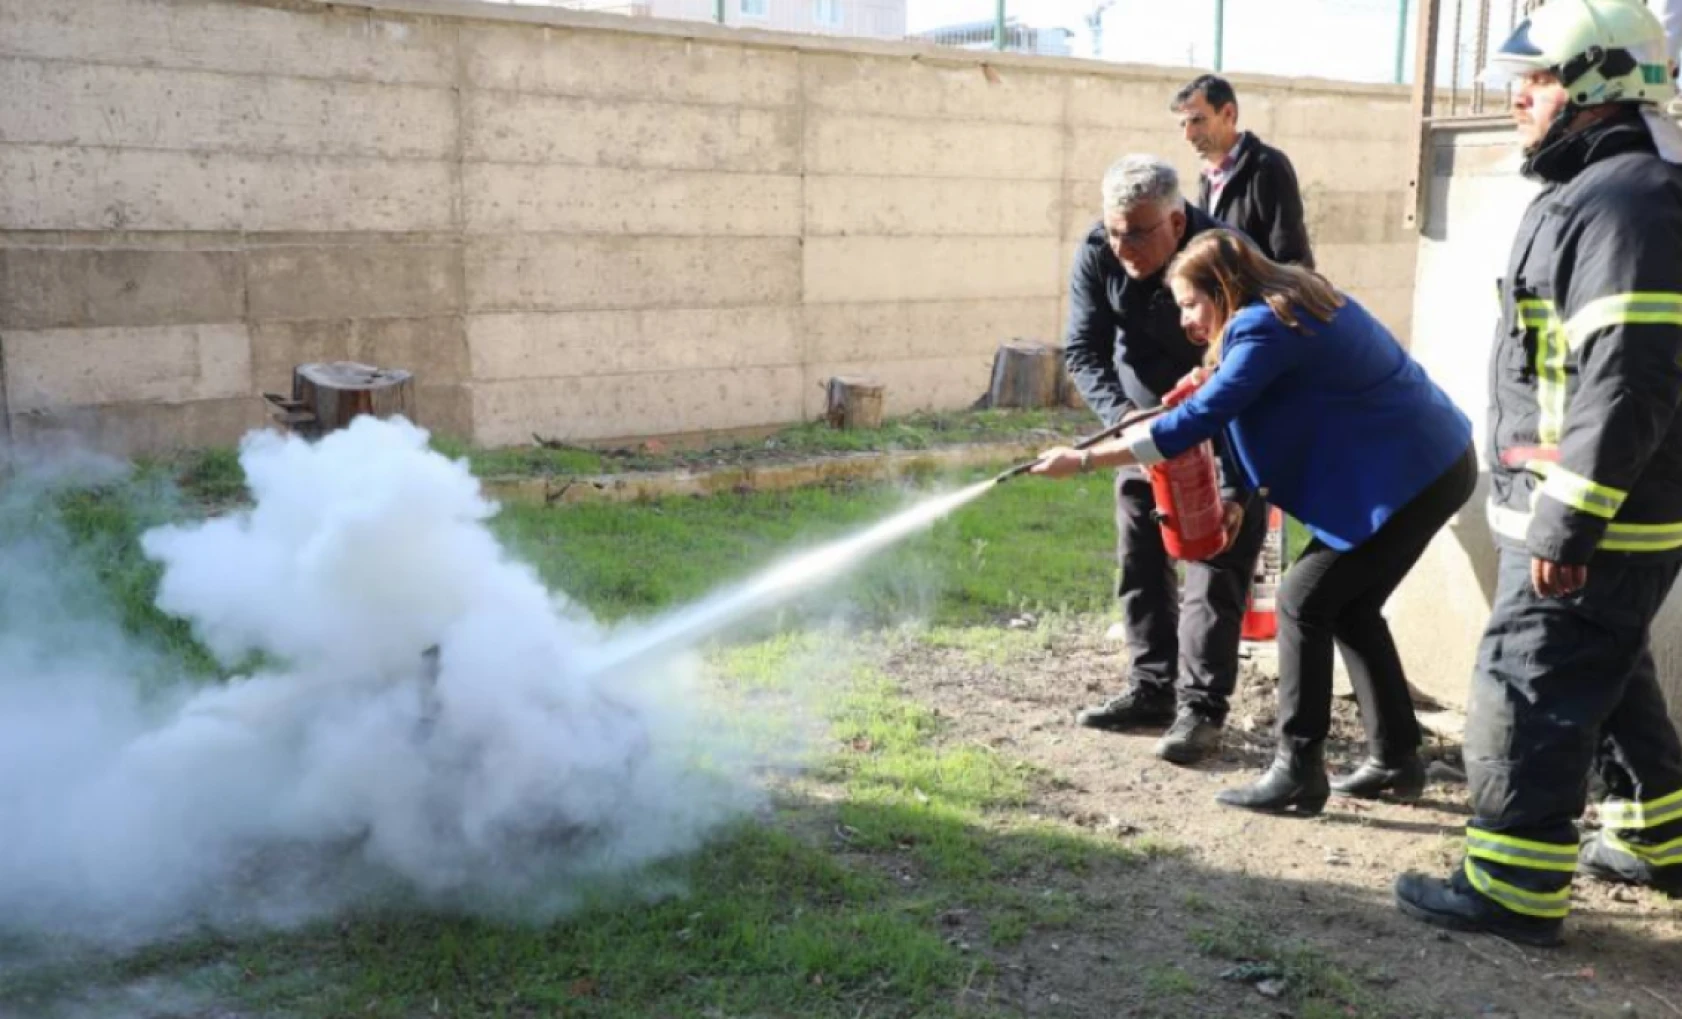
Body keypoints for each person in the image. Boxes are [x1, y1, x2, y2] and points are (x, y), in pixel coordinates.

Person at [1394, 0, 1682, 948]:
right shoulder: (1612, 191)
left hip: (1589, 522)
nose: (1518, 96)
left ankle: (1513, 885)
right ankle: (1659, 838)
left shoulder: (1624, 202)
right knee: (1611, 677)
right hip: (1597, 520)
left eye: (1539, 78)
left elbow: (1627, 379)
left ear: (1598, 84)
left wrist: (1566, 524)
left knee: (1526, 683)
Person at [1034, 228, 1475, 814]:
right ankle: (1395, 759)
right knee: (1349, 607)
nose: (1186, 320)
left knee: (1302, 600)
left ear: (1223, 289)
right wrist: (1213, 379)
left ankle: (1298, 769)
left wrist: (1086, 458)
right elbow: (1260, 388)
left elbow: (1196, 423)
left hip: (1413, 476)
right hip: (1434, 463)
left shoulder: (1265, 325)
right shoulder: (1294, 300)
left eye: (1191, 303)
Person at [1061, 155, 1268, 765]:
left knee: (1215, 557)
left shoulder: (1225, 259)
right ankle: (1151, 688)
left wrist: (1230, 479)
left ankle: (1201, 710)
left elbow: (1242, 366)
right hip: (1142, 421)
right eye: (1113, 230)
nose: (1122, 247)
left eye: (1138, 232)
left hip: (1225, 421)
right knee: (1140, 554)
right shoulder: (1101, 249)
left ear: (1177, 223)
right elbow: (1082, 348)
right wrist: (1126, 418)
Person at [1172, 74, 1315, 268]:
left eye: (1197, 120)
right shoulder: (1208, 178)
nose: (1188, 135)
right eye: (1183, 124)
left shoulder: (1267, 166)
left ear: (1229, 114)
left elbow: (1291, 256)